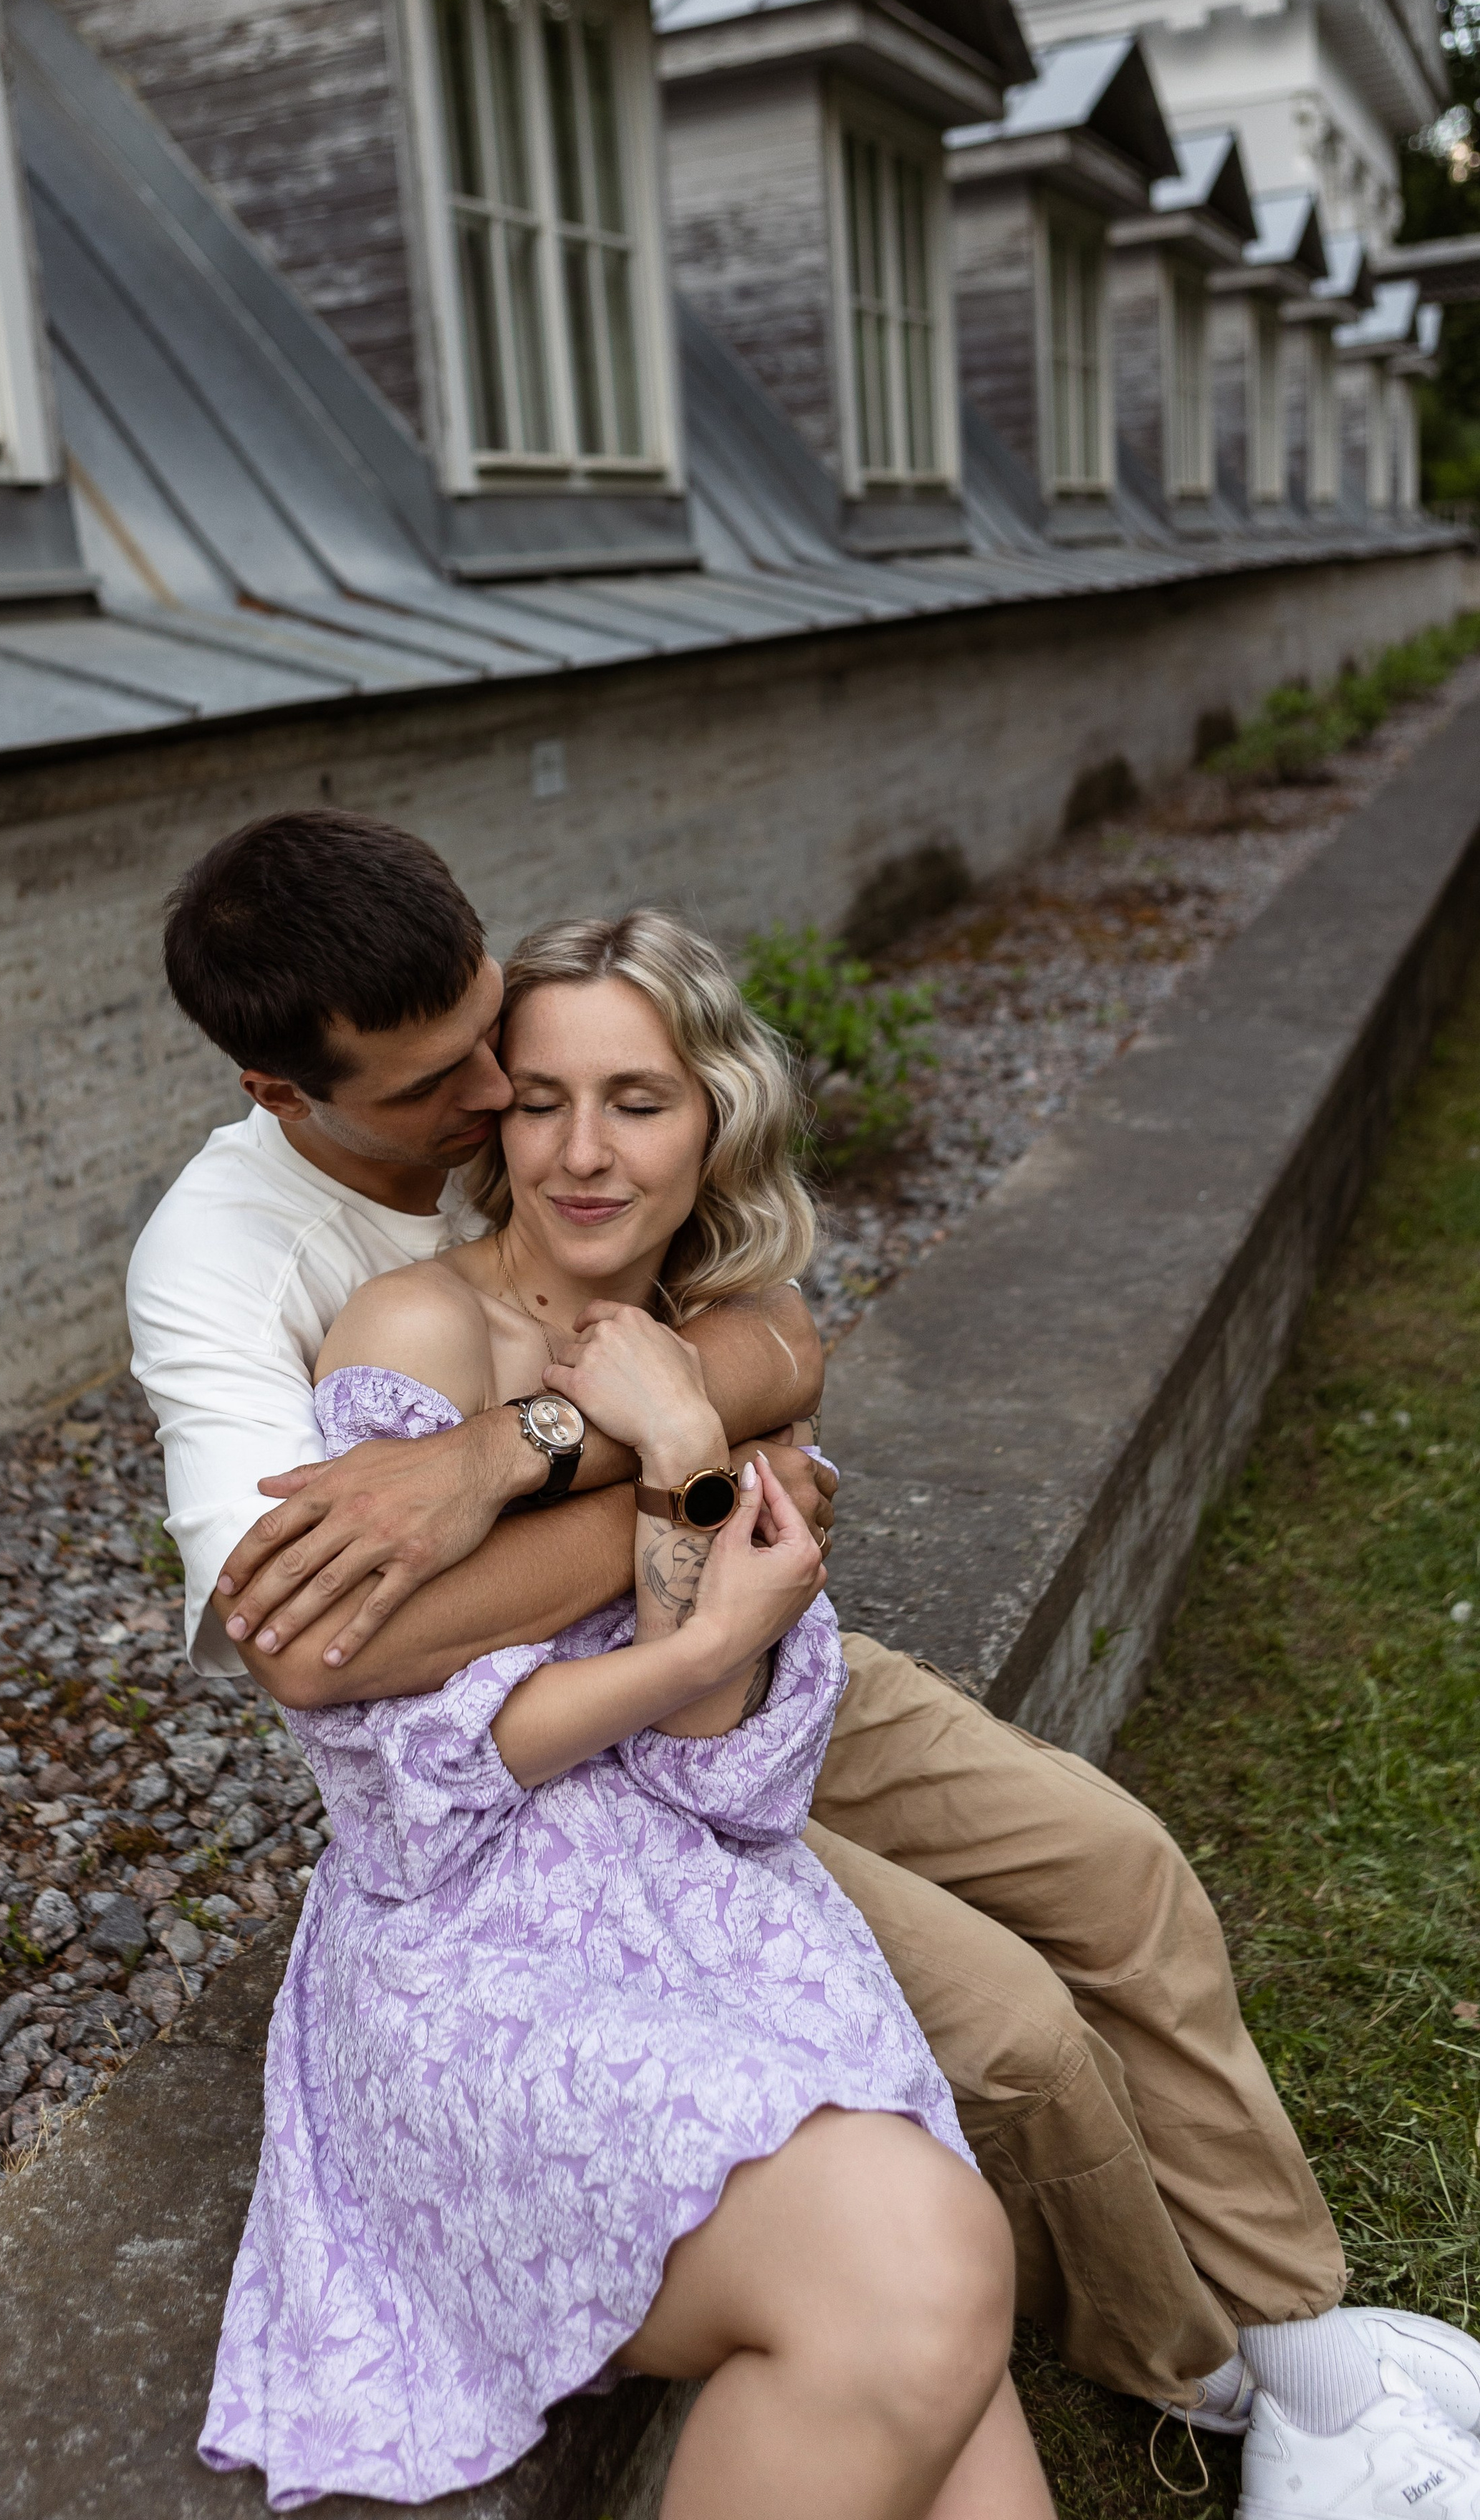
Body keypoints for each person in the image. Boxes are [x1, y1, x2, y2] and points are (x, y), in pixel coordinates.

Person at [130, 810, 1480, 2516]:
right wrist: (676, 1500)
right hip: (574, 1744)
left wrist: (555, 1448)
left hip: (738, 1670)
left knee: (1117, 1870)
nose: (505, 1111)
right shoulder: (235, 1269)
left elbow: (769, 1345)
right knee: (1008, 2032)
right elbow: (326, 1662)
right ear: (290, 1098)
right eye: (469, 1088)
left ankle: (1306, 2348)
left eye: (513, 1048)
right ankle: (1191, 2367)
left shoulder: (550, 1122)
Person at [198, 910, 1055, 2516]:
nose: (582, 1154)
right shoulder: (413, 1334)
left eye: (638, 1102)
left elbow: (724, 1760)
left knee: (947, 2354)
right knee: (929, 2264)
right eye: (539, 1102)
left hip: (705, 1905)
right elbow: (386, 1778)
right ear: (492, 1118)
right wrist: (667, 1621)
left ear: (713, 1115)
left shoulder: (708, 1346)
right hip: (467, 1952)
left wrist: (678, 1438)